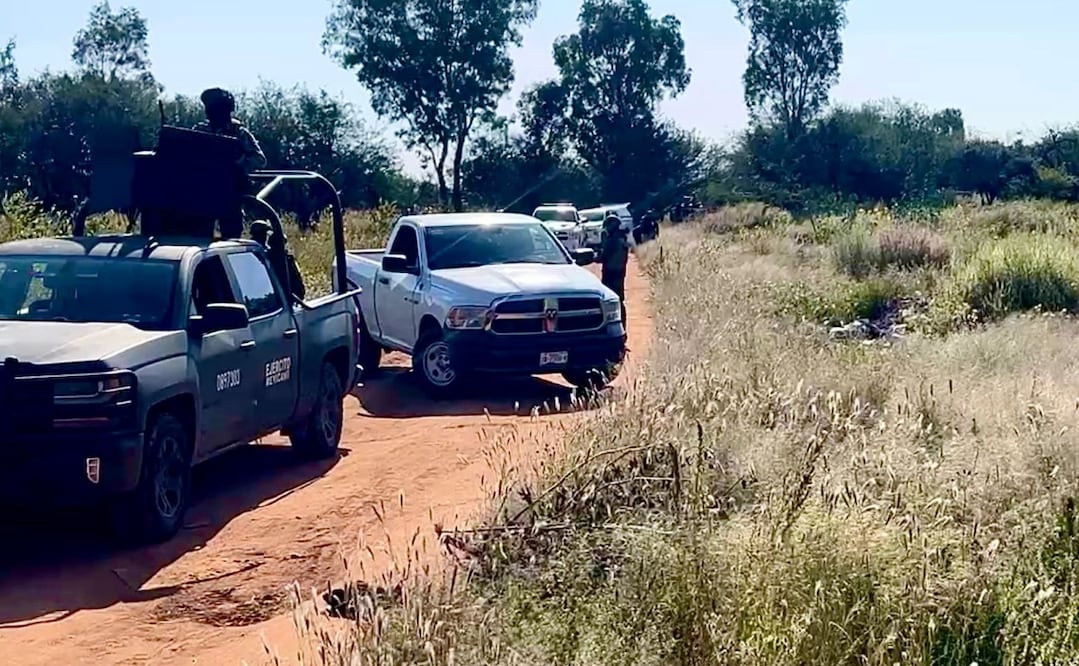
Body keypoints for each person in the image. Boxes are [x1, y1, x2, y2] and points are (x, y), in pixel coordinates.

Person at [193, 87, 267, 238]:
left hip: (230, 193)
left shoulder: (239, 133)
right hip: (203, 193)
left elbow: (259, 160)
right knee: (199, 238)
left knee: (232, 239)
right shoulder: (200, 130)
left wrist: (238, 159)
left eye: (217, 108)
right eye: (210, 108)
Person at [599, 213, 630, 327]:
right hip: (620, 272)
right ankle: (623, 326)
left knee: (609, 300)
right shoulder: (622, 238)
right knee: (619, 300)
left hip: (611, 272)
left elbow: (604, 256)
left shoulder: (613, 240)